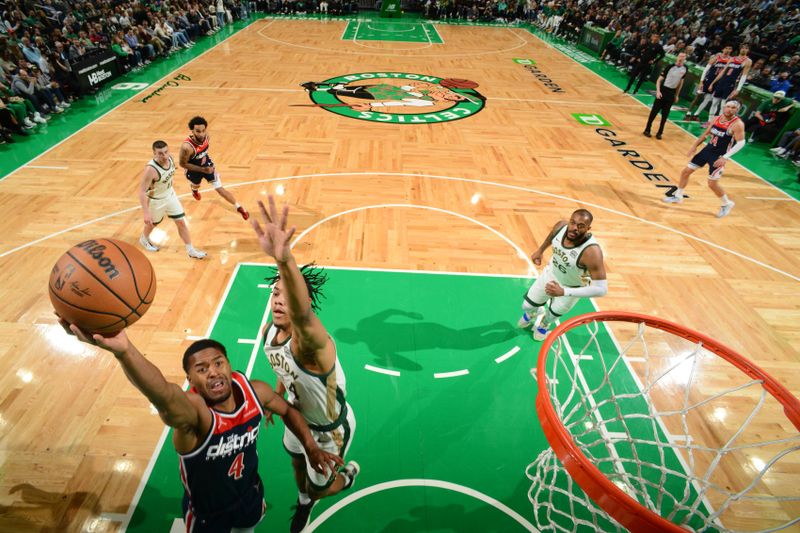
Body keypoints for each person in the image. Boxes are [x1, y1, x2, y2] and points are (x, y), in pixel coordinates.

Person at [56, 324, 343, 533]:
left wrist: (311, 447)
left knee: (248, 529)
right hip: (208, 515)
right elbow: (163, 395)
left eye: (218, 363)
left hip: (249, 494)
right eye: (202, 369)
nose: (214, 372)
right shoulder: (194, 414)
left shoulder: (255, 391)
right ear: (190, 378)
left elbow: (289, 410)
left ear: (229, 364)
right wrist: (125, 352)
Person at [253, 197, 359, 533]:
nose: (278, 299)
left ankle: (347, 478)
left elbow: (300, 315)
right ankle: (302, 502)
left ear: (302, 300)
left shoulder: (313, 343)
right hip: (296, 417)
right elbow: (281, 365)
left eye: (285, 294)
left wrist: (285, 259)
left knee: (318, 487)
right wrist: (279, 392)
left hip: (329, 430)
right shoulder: (269, 330)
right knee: (296, 462)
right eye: (274, 293)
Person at [518, 209, 608, 341]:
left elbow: (602, 290)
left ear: (588, 229)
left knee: (553, 315)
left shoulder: (592, 252)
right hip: (551, 274)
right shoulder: (561, 227)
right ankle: (534, 312)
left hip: (572, 287)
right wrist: (540, 250)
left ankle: (544, 324)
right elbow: (552, 237)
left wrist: (563, 291)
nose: (574, 228)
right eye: (572, 223)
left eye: (581, 226)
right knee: (527, 306)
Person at [664, 100, 746, 218]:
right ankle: (678, 196)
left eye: (733, 107)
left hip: (719, 155)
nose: (729, 109)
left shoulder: (737, 124)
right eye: (727, 106)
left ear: (737, 110)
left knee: (712, 183)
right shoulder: (717, 118)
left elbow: (741, 143)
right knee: (686, 171)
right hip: (707, 150)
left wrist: (725, 157)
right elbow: (706, 134)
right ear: (724, 107)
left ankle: (726, 204)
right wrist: (694, 145)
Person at [139, 140, 207, 259]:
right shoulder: (150, 170)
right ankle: (144, 239)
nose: (164, 156)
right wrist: (146, 213)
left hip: (170, 195)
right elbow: (141, 192)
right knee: (152, 224)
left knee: (181, 222)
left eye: (166, 152)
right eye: (160, 153)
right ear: (154, 153)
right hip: (156, 200)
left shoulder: (170, 158)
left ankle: (190, 250)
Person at [179, 116, 249, 220]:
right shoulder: (186, 147)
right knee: (196, 185)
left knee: (220, 189)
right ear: (192, 130)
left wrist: (204, 162)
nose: (201, 134)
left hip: (207, 165)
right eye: (198, 131)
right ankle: (194, 190)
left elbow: (202, 151)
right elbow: (182, 164)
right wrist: (202, 169)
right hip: (193, 170)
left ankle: (239, 207)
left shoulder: (207, 137)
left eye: (203, 130)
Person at [705, 44, 752, 127]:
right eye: (743, 48)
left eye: (746, 48)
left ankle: (718, 123)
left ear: (748, 50)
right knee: (714, 102)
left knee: (724, 105)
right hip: (722, 82)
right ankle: (709, 121)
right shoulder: (732, 58)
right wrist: (713, 83)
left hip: (730, 84)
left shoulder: (747, 61)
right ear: (740, 49)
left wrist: (738, 89)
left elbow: (744, 76)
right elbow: (723, 71)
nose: (744, 49)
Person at [644, 52, 687, 139]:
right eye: (680, 56)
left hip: (671, 93)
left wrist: (677, 95)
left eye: (683, 57)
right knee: (654, 112)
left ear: (685, 58)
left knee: (665, 115)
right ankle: (647, 129)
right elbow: (659, 80)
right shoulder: (669, 67)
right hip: (663, 90)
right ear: (677, 57)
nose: (681, 58)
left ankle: (660, 132)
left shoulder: (685, 69)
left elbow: (681, 82)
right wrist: (658, 92)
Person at [685, 45, 732, 121]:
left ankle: (696, 114)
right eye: (726, 48)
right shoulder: (717, 57)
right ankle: (688, 113)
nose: (728, 50)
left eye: (730, 49)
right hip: (708, 79)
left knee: (707, 99)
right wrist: (701, 81)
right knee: (697, 97)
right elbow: (706, 70)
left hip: (716, 82)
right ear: (723, 49)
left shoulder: (730, 60)